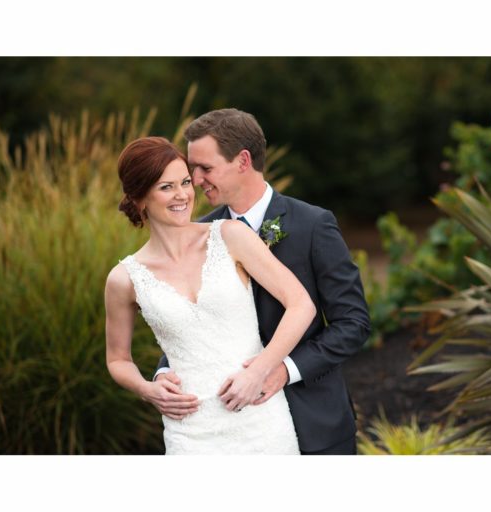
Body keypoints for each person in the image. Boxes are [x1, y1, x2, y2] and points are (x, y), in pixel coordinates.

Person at [153, 108, 371, 455]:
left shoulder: (313, 225)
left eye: (205, 168)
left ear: (242, 161)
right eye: (191, 168)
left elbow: (353, 323)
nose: (194, 180)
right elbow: (190, 319)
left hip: (313, 423)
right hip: (228, 428)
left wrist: (283, 370)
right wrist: (164, 371)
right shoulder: (200, 234)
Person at [104, 137, 317, 454]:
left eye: (186, 182)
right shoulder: (124, 278)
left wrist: (259, 371)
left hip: (261, 419)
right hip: (190, 432)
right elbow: (118, 359)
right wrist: (148, 390)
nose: (183, 195)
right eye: (167, 187)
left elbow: (301, 304)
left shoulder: (230, 235)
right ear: (139, 198)